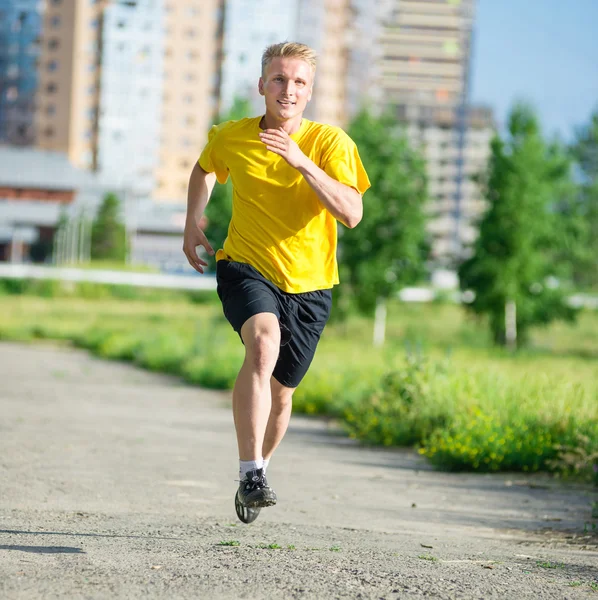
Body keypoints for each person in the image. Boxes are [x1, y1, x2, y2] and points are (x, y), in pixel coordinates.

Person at [183, 42, 370, 523]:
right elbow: (205, 168)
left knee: (283, 393)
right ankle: (249, 472)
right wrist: (193, 219)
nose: (288, 90)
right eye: (279, 80)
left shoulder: (331, 143)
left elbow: (351, 213)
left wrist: (301, 161)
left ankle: (259, 469)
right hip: (246, 265)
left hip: (310, 284)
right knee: (262, 347)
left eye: (299, 82)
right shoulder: (232, 136)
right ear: (262, 85)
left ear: (310, 91)